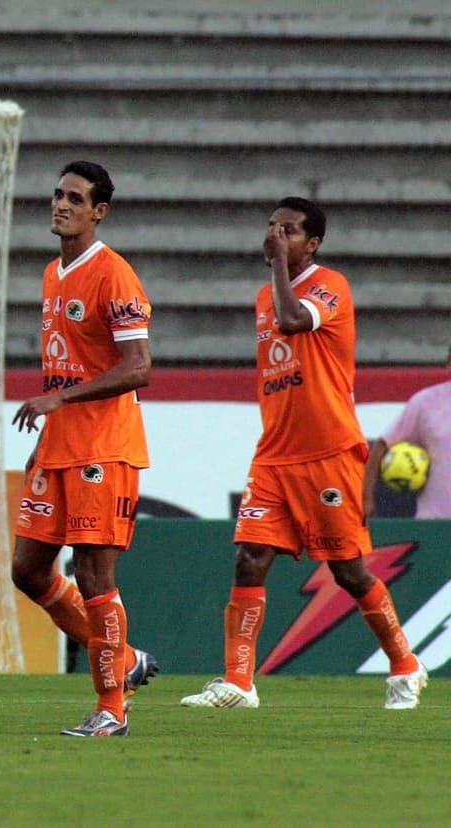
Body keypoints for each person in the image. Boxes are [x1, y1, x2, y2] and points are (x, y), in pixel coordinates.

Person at [181, 197, 428, 710]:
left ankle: (406, 665)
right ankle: (239, 682)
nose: (275, 236)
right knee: (249, 559)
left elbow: (294, 321)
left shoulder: (329, 286)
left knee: (348, 571)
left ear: (312, 244)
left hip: (328, 452)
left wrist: (277, 264)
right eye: (271, 227)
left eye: (288, 230)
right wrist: (277, 269)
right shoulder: (264, 297)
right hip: (275, 455)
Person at [8, 161, 157, 738]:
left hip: (104, 447)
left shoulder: (114, 274)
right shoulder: (54, 272)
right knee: (28, 569)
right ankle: (126, 659)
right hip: (60, 445)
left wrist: (59, 399)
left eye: (75, 198)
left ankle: (112, 707)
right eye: (58, 194)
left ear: (99, 211)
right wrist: (48, 435)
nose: (62, 204)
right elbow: (67, 363)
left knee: (94, 574)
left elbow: (138, 367)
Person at [362, 345, 451, 519]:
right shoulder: (426, 402)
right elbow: (382, 446)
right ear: (449, 364)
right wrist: (366, 498)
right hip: (435, 520)